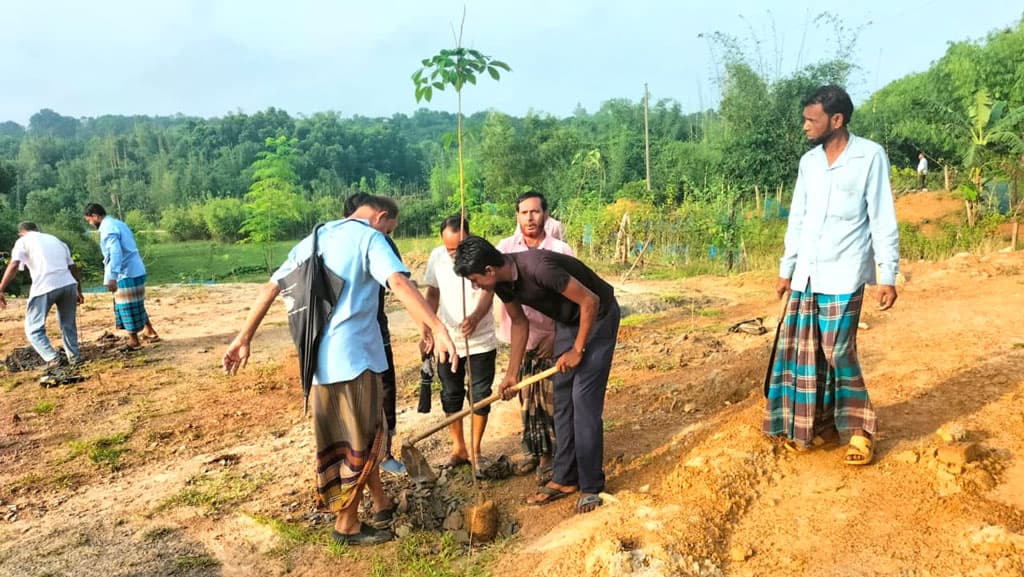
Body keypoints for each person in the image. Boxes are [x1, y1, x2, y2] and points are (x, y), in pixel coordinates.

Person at [223, 194, 457, 546]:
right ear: (380, 217)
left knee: (356, 436)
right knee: (364, 440)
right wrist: (437, 327)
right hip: (356, 361)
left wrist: (244, 337)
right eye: (390, 228)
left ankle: (380, 503)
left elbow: (273, 286)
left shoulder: (315, 237)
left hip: (318, 363)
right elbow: (397, 282)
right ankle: (346, 523)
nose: (388, 234)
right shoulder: (369, 238)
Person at [768, 85, 899, 467]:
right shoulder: (809, 163)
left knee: (838, 351)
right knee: (808, 356)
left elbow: (882, 218)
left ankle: (861, 429)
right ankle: (821, 426)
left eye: (812, 119)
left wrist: (886, 275)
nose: (805, 126)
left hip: (845, 273)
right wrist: (786, 269)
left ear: (836, 120)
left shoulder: (869, 157)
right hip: (807, 274)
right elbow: (799, 220)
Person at [453, 236, 619, 515]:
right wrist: (511, 375)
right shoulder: (504, 284)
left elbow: (590, 300)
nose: (475, 286)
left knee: (583, 401)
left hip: (598, 316)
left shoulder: (539, 267)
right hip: (568, 322)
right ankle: (565, 478)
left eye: (474, 279)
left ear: (489, 271)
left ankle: (591, 486)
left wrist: (578, 349)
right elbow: (519, 323)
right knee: (563, 400)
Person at [496, 192, 574, 485]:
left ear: (546, 215)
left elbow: (574, 298)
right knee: (528, 399)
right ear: (516, 215)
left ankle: (552, 456)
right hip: (523, 339)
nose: (530, 218)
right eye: (524, 212)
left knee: (552, 400)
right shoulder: (504, 249)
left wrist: (557, 334)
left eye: (535, 212)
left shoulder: (560, 251)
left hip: (553, 335)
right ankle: (534, 450)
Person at [420, 215, 497, 476]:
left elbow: (489, 289)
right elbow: (432, 294)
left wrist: (475, 317)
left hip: (480, 339)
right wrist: (427, 329)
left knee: (480, 394)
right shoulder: (437, 257)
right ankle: (459, 448)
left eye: (458, 248)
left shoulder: (482, 252)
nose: (453, 255)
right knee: (450, 393)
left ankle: (476, 451)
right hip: (448, 339)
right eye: (449, 249)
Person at [342, 193, 406, 476]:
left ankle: (383, 452)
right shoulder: (336, 242)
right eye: (388, 229)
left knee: (383, 392)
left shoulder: (380, 242)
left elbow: (397, 282)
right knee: (357, 399)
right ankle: (359, 457)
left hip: (371, 332)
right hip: (349, 339)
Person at [0, 222, 84, 375]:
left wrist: (1, 288)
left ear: (21, 233)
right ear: (37, 230)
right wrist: (79, 290)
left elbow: (14, 265)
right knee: (68, 324)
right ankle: (75, 358)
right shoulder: (56, 240)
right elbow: (72, 266)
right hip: (68, 284)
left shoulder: (22, 242)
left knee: (33, 329)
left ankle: (53, 358)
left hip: (45, 286)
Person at [82, 203, 159, 349]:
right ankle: (149, 331)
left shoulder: (107, 228)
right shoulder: (117, 223)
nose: (91, 224)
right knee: (137, 303)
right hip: (135, 269)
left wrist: (112, 276)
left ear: (95, 216)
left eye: (89, 221)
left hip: (125, 272)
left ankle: (134, 340)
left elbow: (115, 253)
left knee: (125, 306)